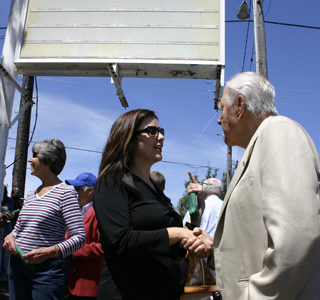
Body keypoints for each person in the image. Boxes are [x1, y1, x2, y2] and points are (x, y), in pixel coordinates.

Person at [184, 72, 320, 299]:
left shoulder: (279, 130)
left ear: (240, 105)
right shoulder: (257, 148)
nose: (219, 119)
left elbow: (296, 238)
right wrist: (215, 249)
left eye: (221, 108)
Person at [93, 109, 203, 300]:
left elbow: (170, 245)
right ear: (129, 138)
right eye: (152, 131)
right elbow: (119, 241)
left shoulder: (153, 190)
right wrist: (177, 233)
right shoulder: (113, 181)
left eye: (162, 132)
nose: (161, 137)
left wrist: (195, 219)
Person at [3, 139, 86, 300]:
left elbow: (79, 237)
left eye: (34, 155)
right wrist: (10, 236)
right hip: (17, 266)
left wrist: (50, 252)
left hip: (45, 272)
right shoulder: (31, 194)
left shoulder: (66, 193)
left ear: (48, 160)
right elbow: (19, 227)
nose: (29, 159)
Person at [65, 172, 104, 300]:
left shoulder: (100, 213)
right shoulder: (75, 211)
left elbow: (104, 246)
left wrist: (72, 250)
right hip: (72, 281)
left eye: (78, 189)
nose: (74, 193)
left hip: (88, 285)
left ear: (90, 191)